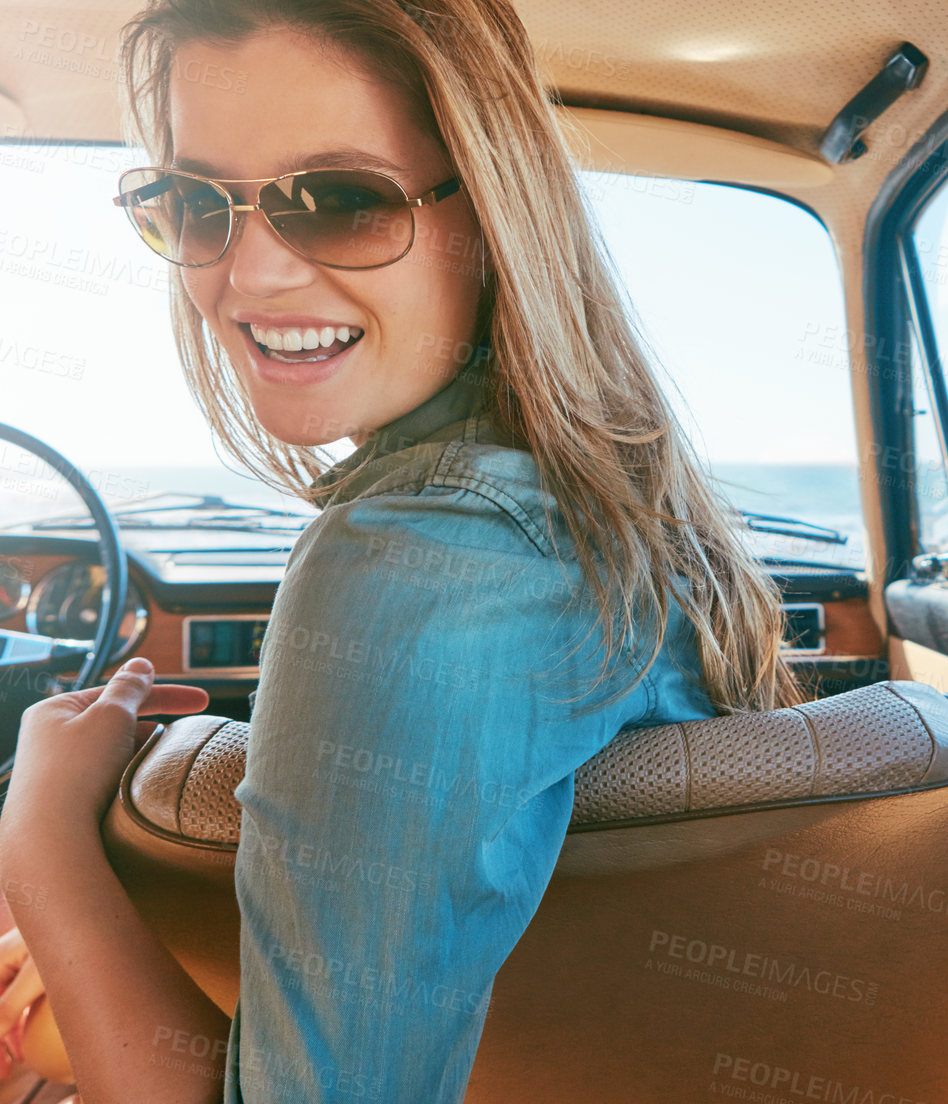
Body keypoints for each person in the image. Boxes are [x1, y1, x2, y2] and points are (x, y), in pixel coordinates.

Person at [0, 0, 806, 1099]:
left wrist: (40, 828)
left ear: (494, 211)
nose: (250, 277)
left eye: (337, 201)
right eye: (195, 205)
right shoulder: (597, 512)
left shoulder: (415, 561)